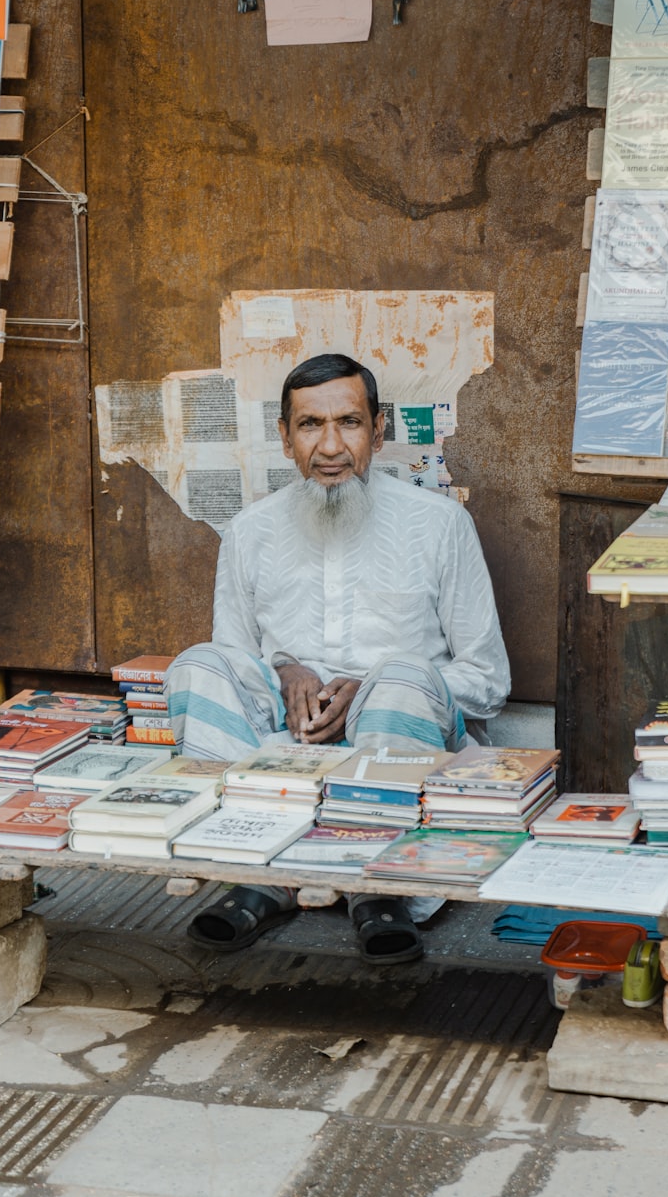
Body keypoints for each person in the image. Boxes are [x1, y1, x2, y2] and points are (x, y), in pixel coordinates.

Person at [166, 352, 510, 963]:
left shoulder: (440, 525)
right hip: (286, 751)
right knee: (198, 663)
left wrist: (372, 686)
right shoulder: (250, 531)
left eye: (348, 423)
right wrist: (282, 667)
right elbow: (233, 663)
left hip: (399, 752)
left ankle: (380, 890)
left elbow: (487, 680)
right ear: (284, 437)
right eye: (309, 426)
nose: (330, 446)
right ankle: (251, 866)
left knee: (401, 677)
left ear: (378, 431)